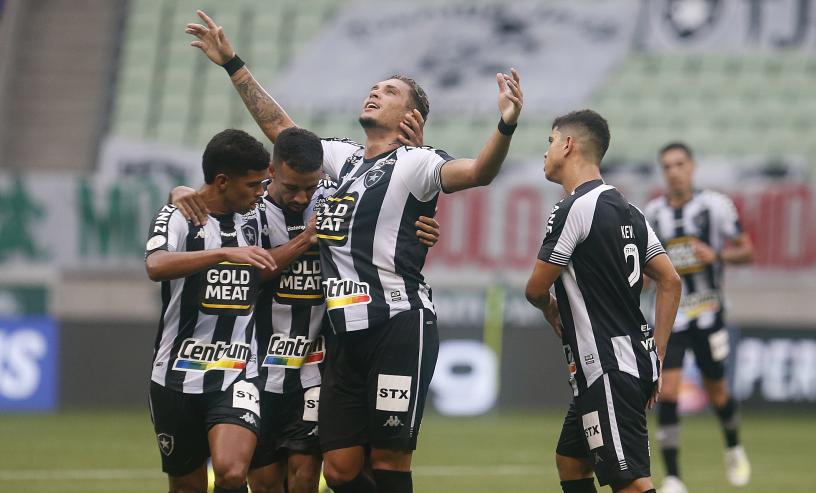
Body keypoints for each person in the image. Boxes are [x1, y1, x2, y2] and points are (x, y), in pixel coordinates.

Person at [186, 10, 523, 493]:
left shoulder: (416, 163)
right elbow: (284, 134)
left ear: (412, 117)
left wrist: (505, 125)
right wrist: (233, 64)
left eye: (388, 91)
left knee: (388, 460)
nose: (374, 92)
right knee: (340, 468)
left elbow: (477, 174)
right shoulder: (341, 157)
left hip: (397, 323)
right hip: (342, 332)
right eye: (374, 87)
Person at [170, 126, 441, 493]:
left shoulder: (330, 197)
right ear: (272, 172)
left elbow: (387, 203)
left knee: (306, 477)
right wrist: (181, 192)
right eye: (292, 187)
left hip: (314, 365)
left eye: (309, 188)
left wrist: (420, 224)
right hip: (256, 366)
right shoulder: (251, 208)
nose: (301, 197)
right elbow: (246, 267)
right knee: (265, 483)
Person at [525, 110, 682, 493]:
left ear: (568, 145)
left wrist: (550, 310)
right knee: (572, 462)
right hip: (623, 360)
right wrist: (656, 352)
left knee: (630, 482)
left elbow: (534, 288)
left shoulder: (573, 208)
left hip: (607, 365)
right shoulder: (631, 210)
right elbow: (670, 280)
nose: (545, 152)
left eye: (549, 142)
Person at [144, 129, 278, 493]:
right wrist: (222, 253)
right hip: (174, 375)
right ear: (222, 181)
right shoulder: (179, 216)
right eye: (252, 185)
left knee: (232, 473)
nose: (260, 192)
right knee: (187, 486)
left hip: (236, 372)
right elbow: (155, 266)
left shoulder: (257, 215)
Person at [644, 142, 754, 493]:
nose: (674, 171)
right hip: (671, 318)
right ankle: (674, 477)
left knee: (717, 390)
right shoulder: (653, 213)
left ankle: (733, 445)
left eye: (679, 164)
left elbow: (747, 251)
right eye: (667, 166)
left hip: (709, 312)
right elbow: (648, 272)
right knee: (669, 390)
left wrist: (717, 254)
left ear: (691, 167)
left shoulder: (715, 206)